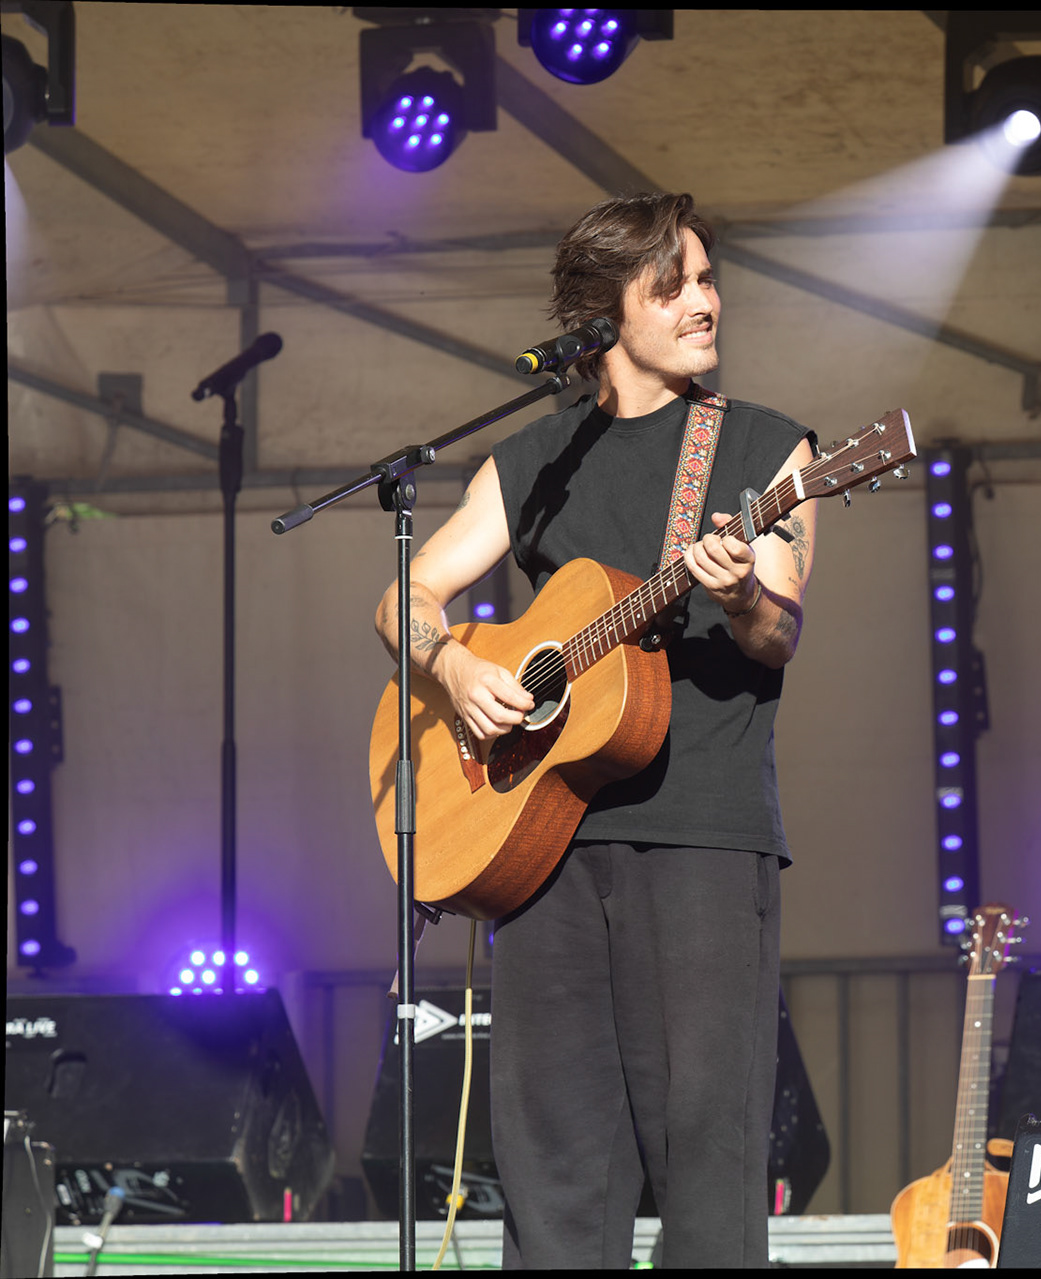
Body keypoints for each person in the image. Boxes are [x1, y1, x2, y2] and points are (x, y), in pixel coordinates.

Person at [372, 192, 817, 1269]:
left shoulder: (768, 446)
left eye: (707, 279)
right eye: (673, 287)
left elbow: (779, 632)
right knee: (554, 1170)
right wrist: (455, 665)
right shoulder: (536, 458)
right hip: (542, 845)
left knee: (707, 1159)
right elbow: (403, 596)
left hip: (701, 838)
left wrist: (741, 594)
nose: (705, 302)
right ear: (603, 317)